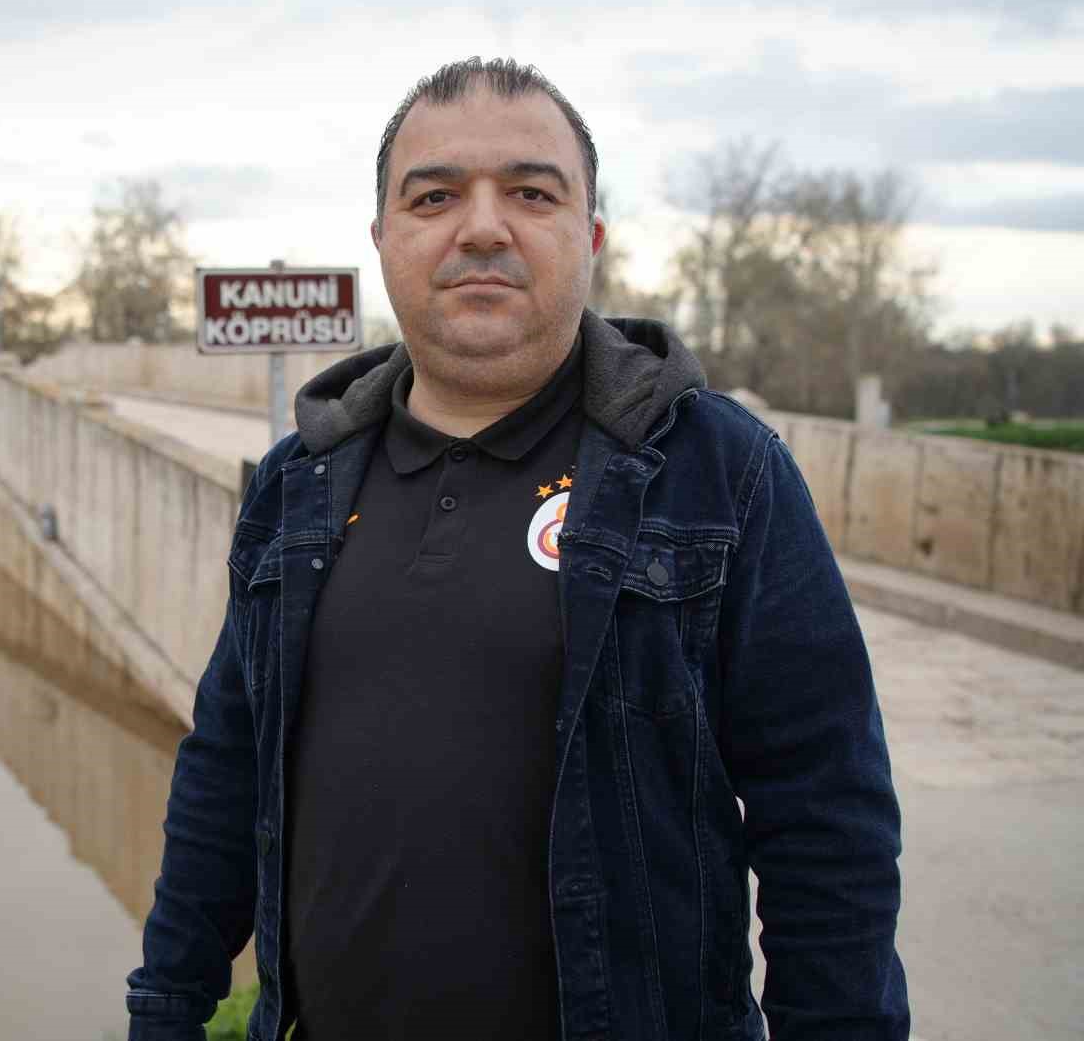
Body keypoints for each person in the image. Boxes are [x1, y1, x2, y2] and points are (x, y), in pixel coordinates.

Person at [127, 57, 909, 1041]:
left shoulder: (719, 470)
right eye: (435, 195)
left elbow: (826, 822)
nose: (482, 226)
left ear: (588, 236)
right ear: (384, 239)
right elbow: (225, 773)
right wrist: (164, 1005)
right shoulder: (296, 481)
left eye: (530, 192)